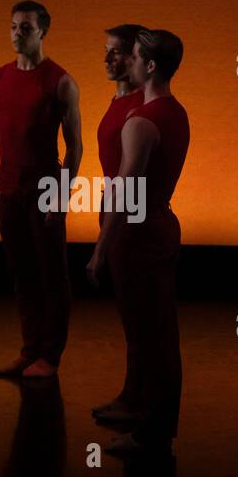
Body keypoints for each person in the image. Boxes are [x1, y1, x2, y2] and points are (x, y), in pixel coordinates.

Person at [87, 29, 189, 455]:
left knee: (150, 335)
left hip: (138, 233)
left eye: (132, 56)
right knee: (157, 332)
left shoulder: (141, 123)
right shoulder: (175, 111)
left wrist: (98, 251)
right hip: (158, 224)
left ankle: (153, 434)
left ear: (148, 66)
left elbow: (124, 194)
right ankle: (155, 424)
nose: (124, 61)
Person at [0, 0, 82, 379]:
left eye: (25, 28)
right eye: (13, 26)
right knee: (22, 272)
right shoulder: (1, 76)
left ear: (42, 31)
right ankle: (29, 350)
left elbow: (74, 146)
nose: (17, 34)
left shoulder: (60, 81)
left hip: (43, 187)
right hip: (8, 185)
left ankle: (50, 355)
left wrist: (59, 196)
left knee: (50, 273)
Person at [91, 23, 147, 425]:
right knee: (130, 316)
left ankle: (138, 400)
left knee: (140, 317)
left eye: (116, 52)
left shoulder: (141, 108)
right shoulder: (118, 102)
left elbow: (133, 178)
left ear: (136, 58)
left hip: (130, 218)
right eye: (107, 51)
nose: (107, 58)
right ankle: (132, 394)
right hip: (116, 212)